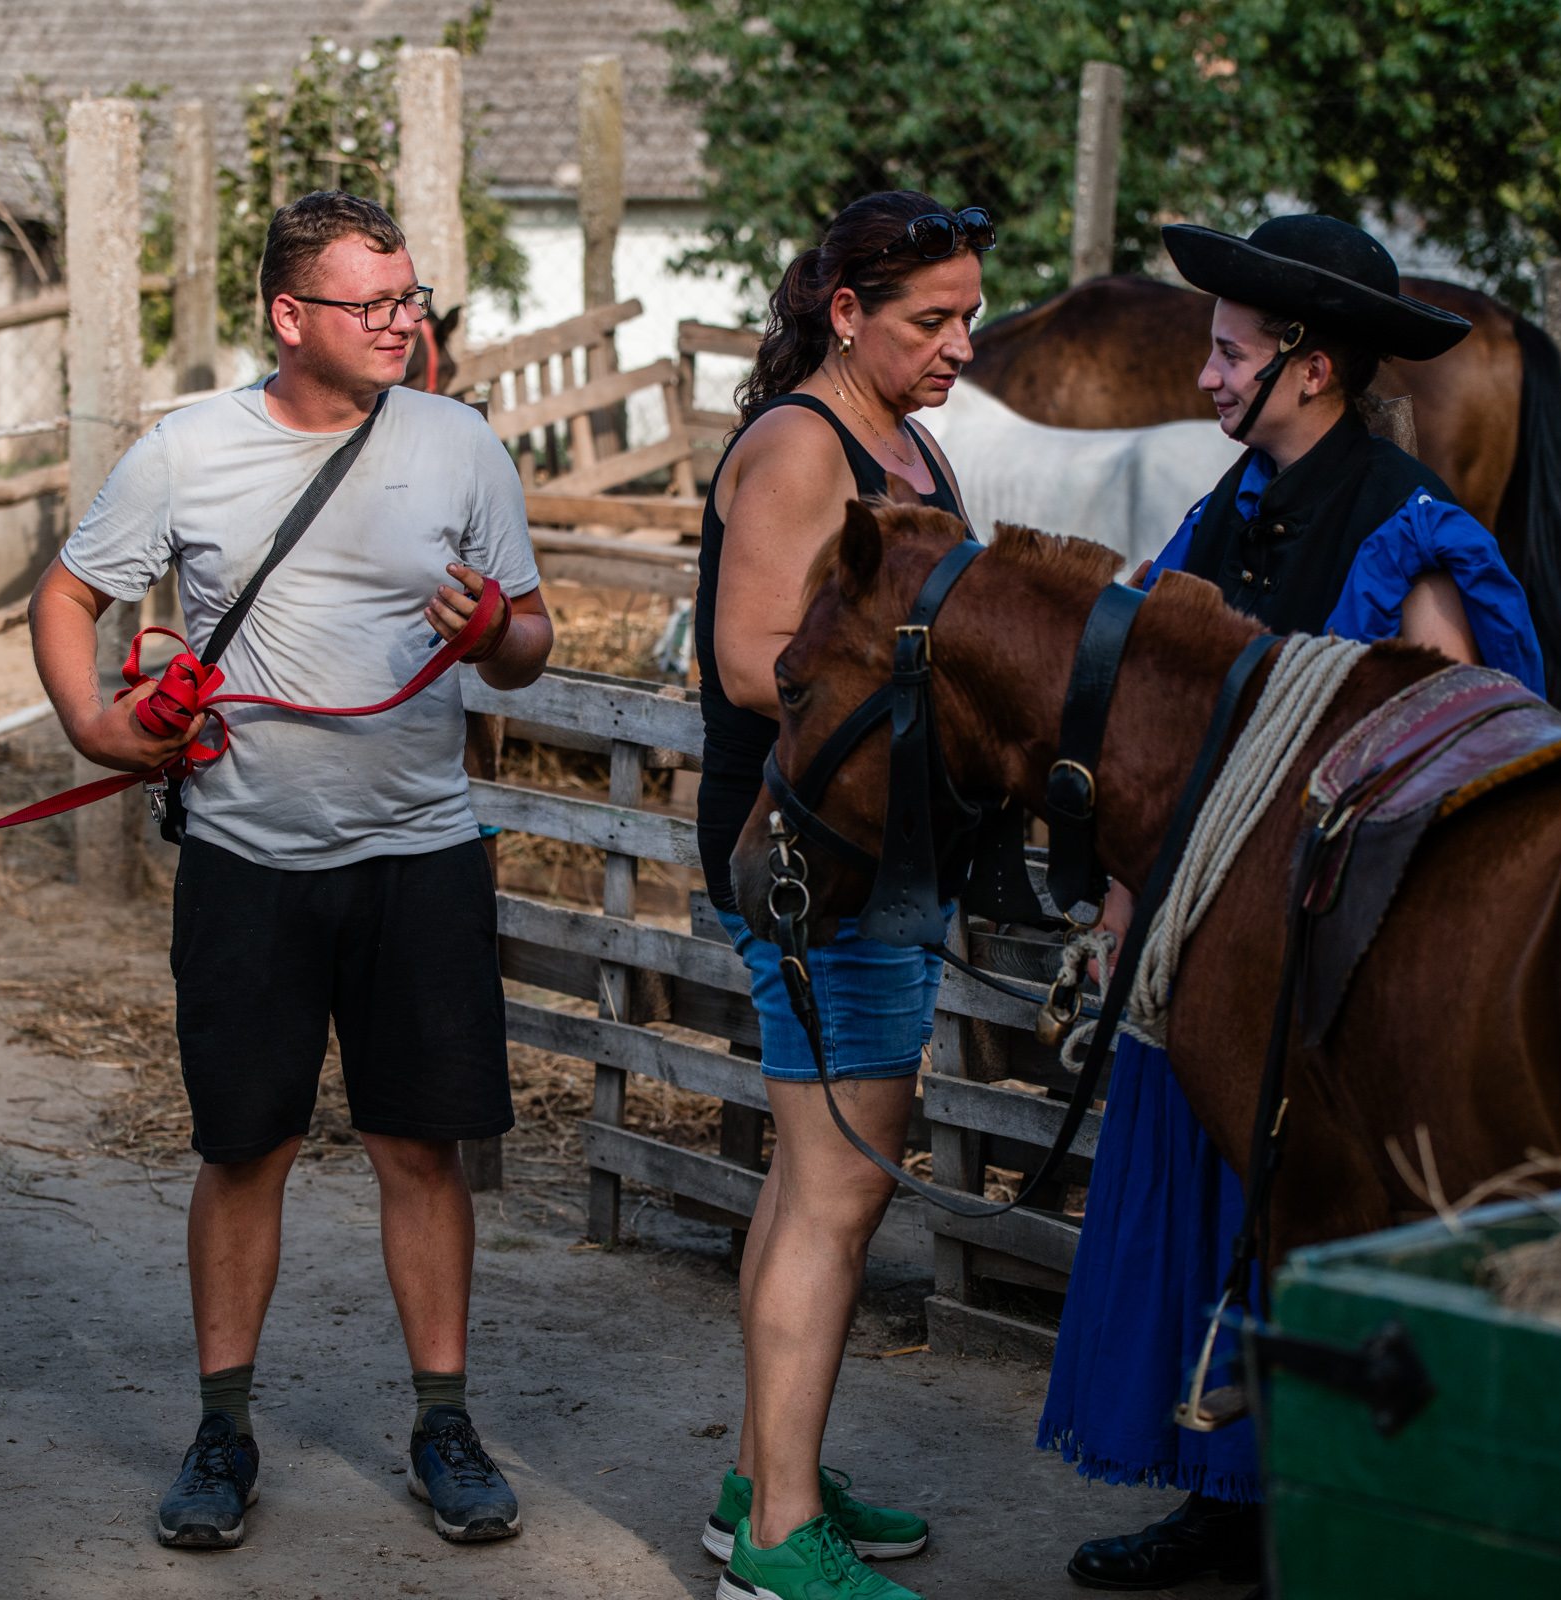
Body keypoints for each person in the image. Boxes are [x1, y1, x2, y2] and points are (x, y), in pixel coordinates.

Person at [27, 190, 553, 1553]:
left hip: (421, 858)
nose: (399, 322)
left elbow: (534, 638)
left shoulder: (461, 446)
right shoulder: (187, 450)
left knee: (418, 1149)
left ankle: (443, 1421)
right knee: (241, 1147)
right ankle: (222, 1428)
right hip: (249, 864)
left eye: (409, 298)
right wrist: (97, 726)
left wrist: (498, 626)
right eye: (370, 302)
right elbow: (71, 593)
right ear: (287, 315)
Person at [1041, 215, 1544, 1593]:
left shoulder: (1410, 538)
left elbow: (1465, 751)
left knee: (1312, 1214)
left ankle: (1328, 1507)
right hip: (1211, 953)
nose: (1204, 376)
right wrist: (1125, 899)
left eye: (1228, 353)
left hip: (1334, 977)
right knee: (1209, 1199)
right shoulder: (1216, 520)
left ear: (1311, 371)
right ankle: (1222, 1495)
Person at [695, 191, 989, 1600]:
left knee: (809, 1185)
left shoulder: (901, 436)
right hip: (818, 854)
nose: (961, 345)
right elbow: (755, 658)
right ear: (848, 313)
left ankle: (765, 1479)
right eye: (933, 320)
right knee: (835, 1199)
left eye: (970, 318)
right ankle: (775, 1545)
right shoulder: (803, 450)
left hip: (875, 845)